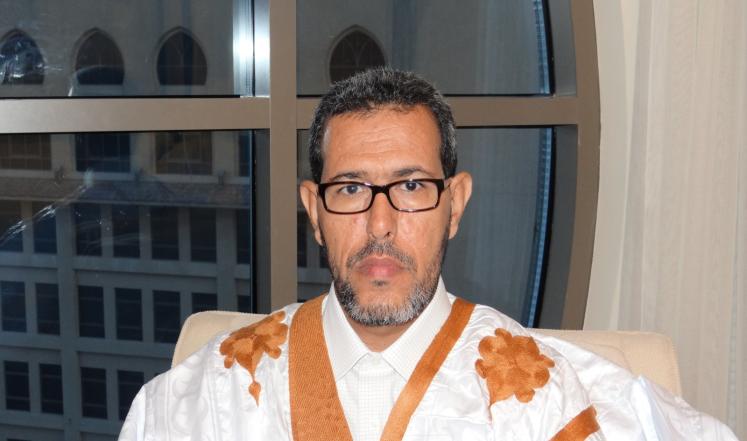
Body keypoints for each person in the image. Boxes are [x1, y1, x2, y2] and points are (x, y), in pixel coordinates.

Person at [118, 69, 737, 441]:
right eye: (350, 189)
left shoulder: (548, 395)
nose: (380, 224)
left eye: (412, 186)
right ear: (314, 210)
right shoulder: (206, 400)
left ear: (455, 203)